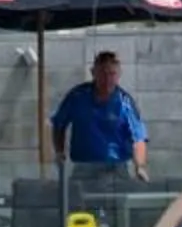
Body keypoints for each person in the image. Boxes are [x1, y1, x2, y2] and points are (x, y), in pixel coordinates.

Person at [51, 49, 149, 180]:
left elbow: (139, 138)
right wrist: (59, 152)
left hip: (116, 168)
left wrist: (140, 166)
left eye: (112, 74)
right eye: (103, 73)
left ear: (118, 75)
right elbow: (59, 123)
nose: (107, 79)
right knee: (75, 198)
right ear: (93, 73)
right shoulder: (77, 96)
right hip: (83, 166)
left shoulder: (125, 103)